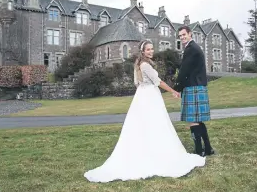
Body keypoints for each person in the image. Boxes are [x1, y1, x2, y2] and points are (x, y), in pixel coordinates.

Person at [84, 40, 206, 183]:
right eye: (148, 49)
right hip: (150, 96)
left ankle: (148, 150)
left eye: (152, 49)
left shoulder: (138, 64)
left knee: (144, 126)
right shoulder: (145, 65)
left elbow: (137, 83)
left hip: (142, 96)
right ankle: (154, 155)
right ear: (143, 51)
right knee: (155, 124)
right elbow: (158, 82)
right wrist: (174, 91)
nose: (151, 51)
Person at [174, 26, 215, 157]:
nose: (182, 37)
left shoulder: (191, 49)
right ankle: (208, 149)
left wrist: (177, 87)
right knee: (199, 120)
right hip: (198, 86)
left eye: (184, 34)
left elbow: (184, 71)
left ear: (190, 34)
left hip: (193, 87)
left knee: (193, 120)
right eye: (180, 36)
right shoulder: (194, 48)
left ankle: (199, 151)